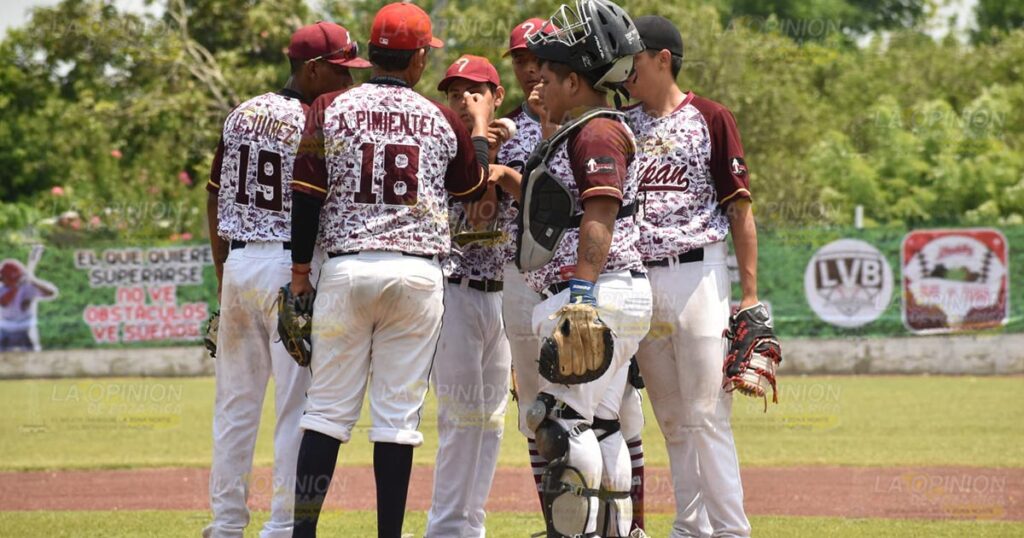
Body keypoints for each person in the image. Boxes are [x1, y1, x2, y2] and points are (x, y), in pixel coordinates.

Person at [287, 4, 491, 537]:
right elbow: (472, 189)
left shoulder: (330, 106)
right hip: (417, 277)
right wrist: (480, 132)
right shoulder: (440, 116)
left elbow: (305, 194)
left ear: (373, 54)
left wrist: (300, 272)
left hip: (347, 270)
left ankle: (302, 533)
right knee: (397, 422)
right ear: (418, 57)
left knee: (325, 413)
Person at [488, 1, 650, 536]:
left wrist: (582, 294)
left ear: (575, 82)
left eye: (550, 77)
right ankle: (615, 530)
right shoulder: (582, 126)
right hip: (615, 291)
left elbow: (600, 211)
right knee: (601, 424)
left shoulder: (596, 131)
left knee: (561, 425)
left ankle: (574, 533)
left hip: (595, 292)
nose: (539, 84)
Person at [203, 21, 369, 538]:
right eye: (341, 69)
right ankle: (281, 526)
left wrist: (222, 276)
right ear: (312, 69)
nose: (348, 81)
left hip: (239, 266)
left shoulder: (241, 113)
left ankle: (226, 525)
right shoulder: (319, 120)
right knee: (297, 407)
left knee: (235, 405)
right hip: (290, 269)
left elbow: (213, 194)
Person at [625, 15, 761, 538]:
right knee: (672, 420)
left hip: (697, 274)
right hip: (641, 281)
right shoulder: (623, 124)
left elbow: (740, 209)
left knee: (707, 414)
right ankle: (690, 527)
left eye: (635, 59)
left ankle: (731, 530)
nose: (627, 69)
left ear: (663, 59)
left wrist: (749, 295)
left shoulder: (711, 117)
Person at [425, 54, 512, 538]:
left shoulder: (516, 143)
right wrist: (478, 134)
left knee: (492, 420)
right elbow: (479, 213)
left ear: (498, 96)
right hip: (453, 292)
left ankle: (470, 525)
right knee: (460, 418)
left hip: (499, 296)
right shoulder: (442, 146)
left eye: (474, 92)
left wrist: (497, 150)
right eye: (455, 93)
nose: (462, 100)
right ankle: (444, 528)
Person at [0, 254, 57, 352]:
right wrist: (16, 286)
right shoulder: (2, 289)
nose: (1, 279)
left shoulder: (28, 287)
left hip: (26, 327)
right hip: (5, 328)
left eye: (4, 276)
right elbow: (4, 302)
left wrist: (33, 280)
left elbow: (51, 293)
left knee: (32, 356)